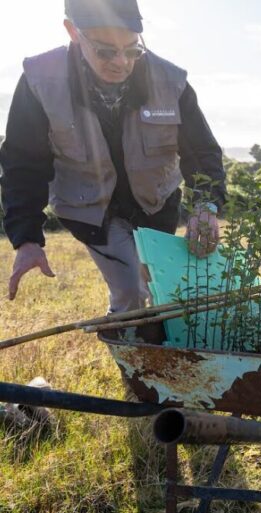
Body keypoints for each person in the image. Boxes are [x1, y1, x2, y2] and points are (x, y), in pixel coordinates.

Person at [0, 0, 226, 338]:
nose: (121, 62)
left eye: (131, 50)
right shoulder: (41, 80)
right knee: (132, 288)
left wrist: (206, 206)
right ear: (73, 31)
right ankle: (135, 367)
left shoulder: (171, 81)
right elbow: (23, 163)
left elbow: (202, 152)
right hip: (88, 208)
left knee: (159, 288)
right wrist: (26, 238)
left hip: (155, 206)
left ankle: (152, 353)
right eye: (106, 51)